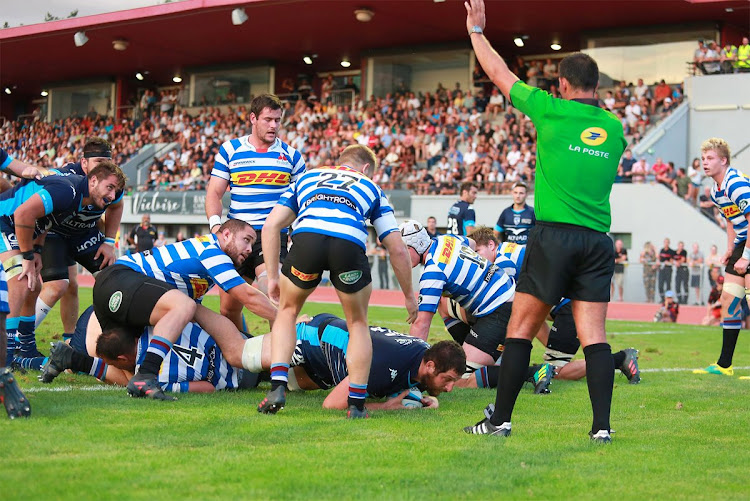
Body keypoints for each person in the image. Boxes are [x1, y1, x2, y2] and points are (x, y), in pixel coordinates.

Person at [462, 0, 627, 443]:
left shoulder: (551, 110)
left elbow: (500, 75)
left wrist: (477, 32)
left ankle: (500, 421)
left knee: (520, 329)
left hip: (554, 237)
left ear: (563, 84)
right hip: (597, 241)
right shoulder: (615, 129)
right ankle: (601, 429)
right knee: (595, 338)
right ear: (596, 86)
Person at [258, 144, 417, 418]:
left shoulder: (307, 178)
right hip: (347, 244)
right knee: (357, 323)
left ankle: (277, 387)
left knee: (287, 310)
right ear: (366, 168)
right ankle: (355, 405)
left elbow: (271, 225)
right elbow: (397, 248)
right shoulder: (371, 187)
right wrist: (408, 296)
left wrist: (273, 275)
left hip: (307, 240)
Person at [93, 218, 277, 400]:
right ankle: (147, 374)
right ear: (227, 234)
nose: (250, 249)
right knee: (184, 306)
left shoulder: (199, 271)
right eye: (246, 240)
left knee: (124, 360)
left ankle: (71, 358)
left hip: (113, 287)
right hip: (121, 278)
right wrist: (286, 319)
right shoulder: (212, 251)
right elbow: (248, 296)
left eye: (252, 244)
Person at [1, 161, 126, 368]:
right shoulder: (67, 191)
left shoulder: (82, 200)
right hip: (5, 219)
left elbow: (45, 221)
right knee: (21, 280)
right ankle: (6, 355)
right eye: (110, 188)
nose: (112, 196)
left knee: (34, 286)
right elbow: (23, 214)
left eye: (116, 191)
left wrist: (38, 250)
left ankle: (26, 348)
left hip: (19, 226)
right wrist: (28, 256)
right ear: (93, 180)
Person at [205, 94, 306, 330]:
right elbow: (214, 193)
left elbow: (302, 200)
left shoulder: (292, 156)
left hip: (271, 234)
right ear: (253, 118)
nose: (273, 126)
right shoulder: (231, 150)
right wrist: (215, 227)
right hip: (237, 234)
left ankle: (278, 361)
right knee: (228, 309)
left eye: (277, 120)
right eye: (268, 119)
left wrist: (297, 230)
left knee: (271, 291)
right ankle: (245, 354)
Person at [35, 138, 124, 348]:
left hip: (84, 233)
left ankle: (73, 340)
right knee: (60, 286)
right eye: (98, 161)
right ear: (84, 163)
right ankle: (19, 340)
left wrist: (109, 242)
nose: (104, 166)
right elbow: (41, 178)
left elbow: (117, 206)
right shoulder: (66, 177)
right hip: (54, 233)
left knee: (113, 279)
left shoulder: (110, 182)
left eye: (107, 161)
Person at [693, 138, 750, 379]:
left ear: (723, 160)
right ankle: (724, 365)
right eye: (703, 159)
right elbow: (730, 218)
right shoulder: (717, 190)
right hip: (742, 241)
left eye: (711, 158)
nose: (705, 163)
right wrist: (730, 249)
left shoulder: (735, 183)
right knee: (729, 299)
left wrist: (745, 256)